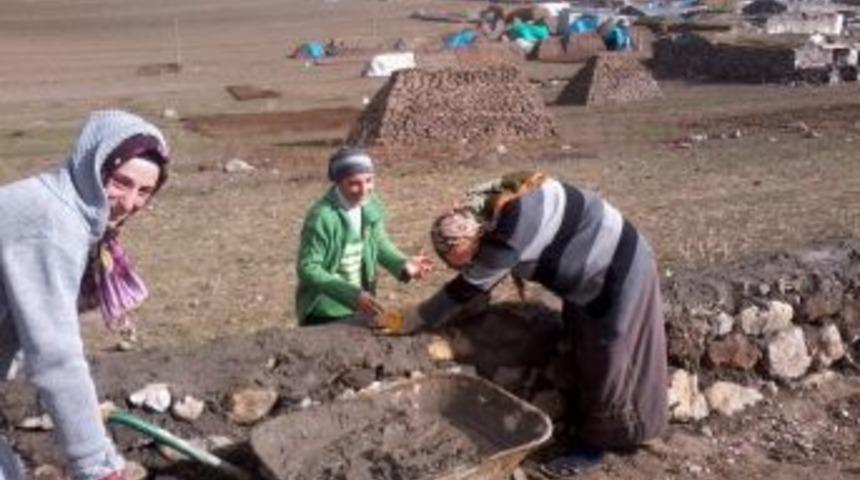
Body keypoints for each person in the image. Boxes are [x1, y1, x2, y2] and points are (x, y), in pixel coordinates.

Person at [392, 171, 667, 477]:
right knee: (584, 347)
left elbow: (468, 288)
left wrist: (416, 318)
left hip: (619, 269)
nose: (469, 265)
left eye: (468, 258)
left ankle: (603, 443)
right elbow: (478, 278)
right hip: (591, 275)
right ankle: (589, 422)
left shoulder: (509, 235)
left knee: (614, 355)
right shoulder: (488, 207)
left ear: (479, 236)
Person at [0, 110, 171, 480]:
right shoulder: (52, 225)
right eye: (122, 182)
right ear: (96, 165)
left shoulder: (65, 206)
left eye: (145, 191)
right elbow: (54, 356)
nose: (129, 203)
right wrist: (95, 465)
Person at [295, 147, 433, 326]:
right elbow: (308, 268)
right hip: (327, 310)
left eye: (369, 180)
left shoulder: (370, 204)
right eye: (354, 183)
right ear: (338, 182)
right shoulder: (322, 217)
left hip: (360, 303)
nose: (363, 190)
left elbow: (379, 242)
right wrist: (351, 295)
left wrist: (403, 263)